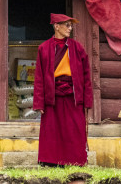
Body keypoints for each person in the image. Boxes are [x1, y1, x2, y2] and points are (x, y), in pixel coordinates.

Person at [33, 13, 93, 167]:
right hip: (52, 95)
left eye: (71, 25)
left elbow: (86, 75)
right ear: (56, 26)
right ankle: (51, 161)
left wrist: (87, 99)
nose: (70, 28)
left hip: (73, 95)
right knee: (52, 130)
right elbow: (39, 77)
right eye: (67, 25)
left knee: (74, 129)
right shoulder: (44, 48)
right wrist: (39, 103)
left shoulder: (77, 47)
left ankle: (76, 160)